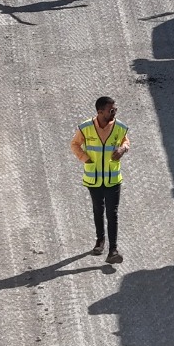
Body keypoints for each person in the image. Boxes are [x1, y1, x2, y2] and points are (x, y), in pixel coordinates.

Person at [71, 96, 129, 263]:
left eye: (115, 109)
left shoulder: (119, 127)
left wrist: (123, 149)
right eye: (111, 110)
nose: (114, 112)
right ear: (100, 112)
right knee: (98, 209)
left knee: (113, 213)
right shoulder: (86, 128)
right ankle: (100, 240)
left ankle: (113, 250)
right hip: (94, 178)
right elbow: (74, 144)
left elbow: (126, 141)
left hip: (112, 178)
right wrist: (84, 157)